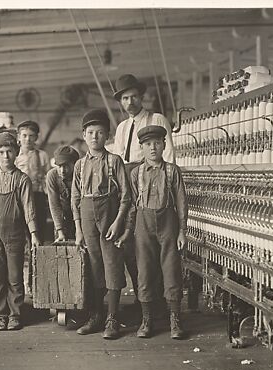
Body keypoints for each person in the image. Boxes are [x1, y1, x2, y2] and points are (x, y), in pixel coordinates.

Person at [116, 125, 188, 340]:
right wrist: (128, 231)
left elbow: (182, 203)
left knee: (171, 270)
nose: (153, 148)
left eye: (157, 143)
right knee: (144, 271)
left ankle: (175, 320)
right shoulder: (136, 173)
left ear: (164, 145)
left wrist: (182, 231)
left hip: (168, 224)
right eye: (148, 144)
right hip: (143, 225)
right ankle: (146, 320)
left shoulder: (172, 171)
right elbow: (132, 205)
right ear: (142, 148)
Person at [112, 74, 176, 313]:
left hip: (153, 179)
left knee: (156, 244)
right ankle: (143, 299)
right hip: (128, 182)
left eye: (133, 97)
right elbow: (118, 160)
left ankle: (158, 302)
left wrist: (165, 189)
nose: (130, 102)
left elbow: (168, 154)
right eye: (125, 99)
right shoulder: (121, 127)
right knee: (133, 242)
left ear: (142, 97)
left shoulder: (156, 118)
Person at [71, 109, 131, 340]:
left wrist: (118, 222)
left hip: (109, 214)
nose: (95, 136)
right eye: (90, 132)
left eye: (100, 132)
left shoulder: (114, 161)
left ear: (107, 136)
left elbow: (126, 196)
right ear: (84, 135)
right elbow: (75, 199)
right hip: (86, 215)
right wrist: (78, 229)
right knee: (94, 266)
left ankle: (113, 317)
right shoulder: (79, 165)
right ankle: (96, 315)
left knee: (112, 264)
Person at [0, 132, 40, 331]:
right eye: (1, 152)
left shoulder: (22, 180)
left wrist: (34, 234)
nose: (5, 156)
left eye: (9, 151)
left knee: (14, 276)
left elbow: (29, 208)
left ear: (16, 152)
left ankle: (15, 314)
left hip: (15, 235)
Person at [14, 120, 50, 243]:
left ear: (36, 137)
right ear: (19, 136)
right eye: (24, 135)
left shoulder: (42, 155)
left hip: (37, 196)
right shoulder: (14, 155)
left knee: (38, 228)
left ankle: (36, 257)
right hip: (18, 197)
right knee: (19, 230)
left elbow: (47, 176)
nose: (27, 139)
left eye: (31, 136)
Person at [46, 145, 79, 241]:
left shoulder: (81, 175)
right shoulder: (52, 175)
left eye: (66, 166)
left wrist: (79, 229)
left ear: (75, 164)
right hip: (62, 217)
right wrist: (60, 231)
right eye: (59, 166)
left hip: (81, 216)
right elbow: (54, 205)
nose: (62, 170)